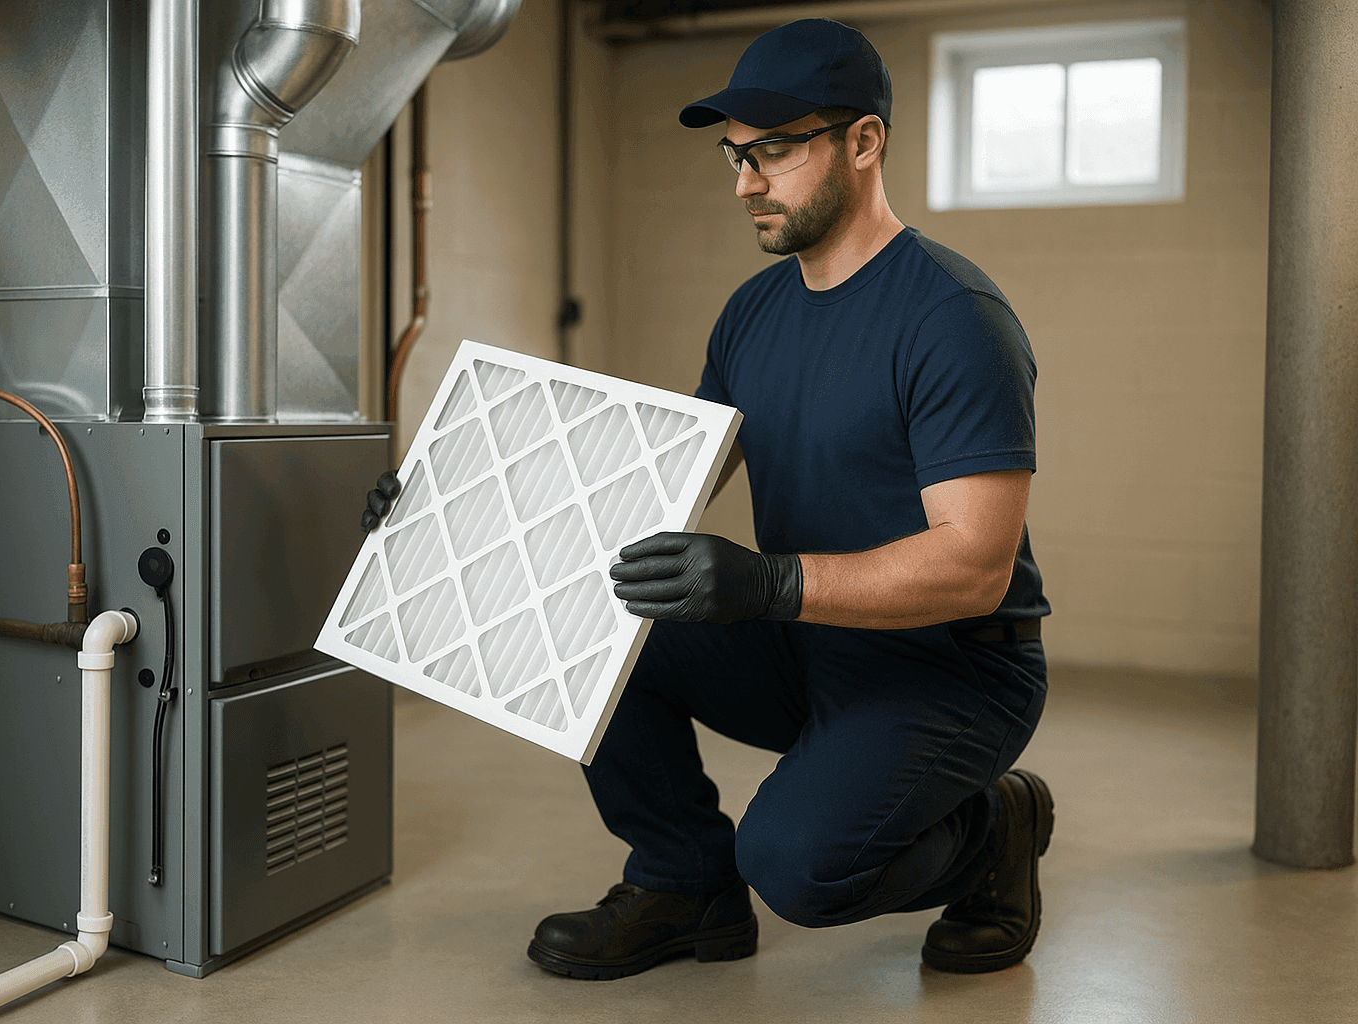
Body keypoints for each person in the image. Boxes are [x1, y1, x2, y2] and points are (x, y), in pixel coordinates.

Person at [365, 18, 1052, 979]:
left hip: (950, 667)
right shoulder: (752, 313)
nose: (744, 184)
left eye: (774, 151)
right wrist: (450, 499)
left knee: (800, 868)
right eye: (736, 155)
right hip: (810, 641)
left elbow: (975, 566)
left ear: (864, 141)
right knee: (604, 599)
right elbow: (654, 478)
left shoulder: (952, 319)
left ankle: (996, 832)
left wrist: (767, 584)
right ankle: (683, 880)